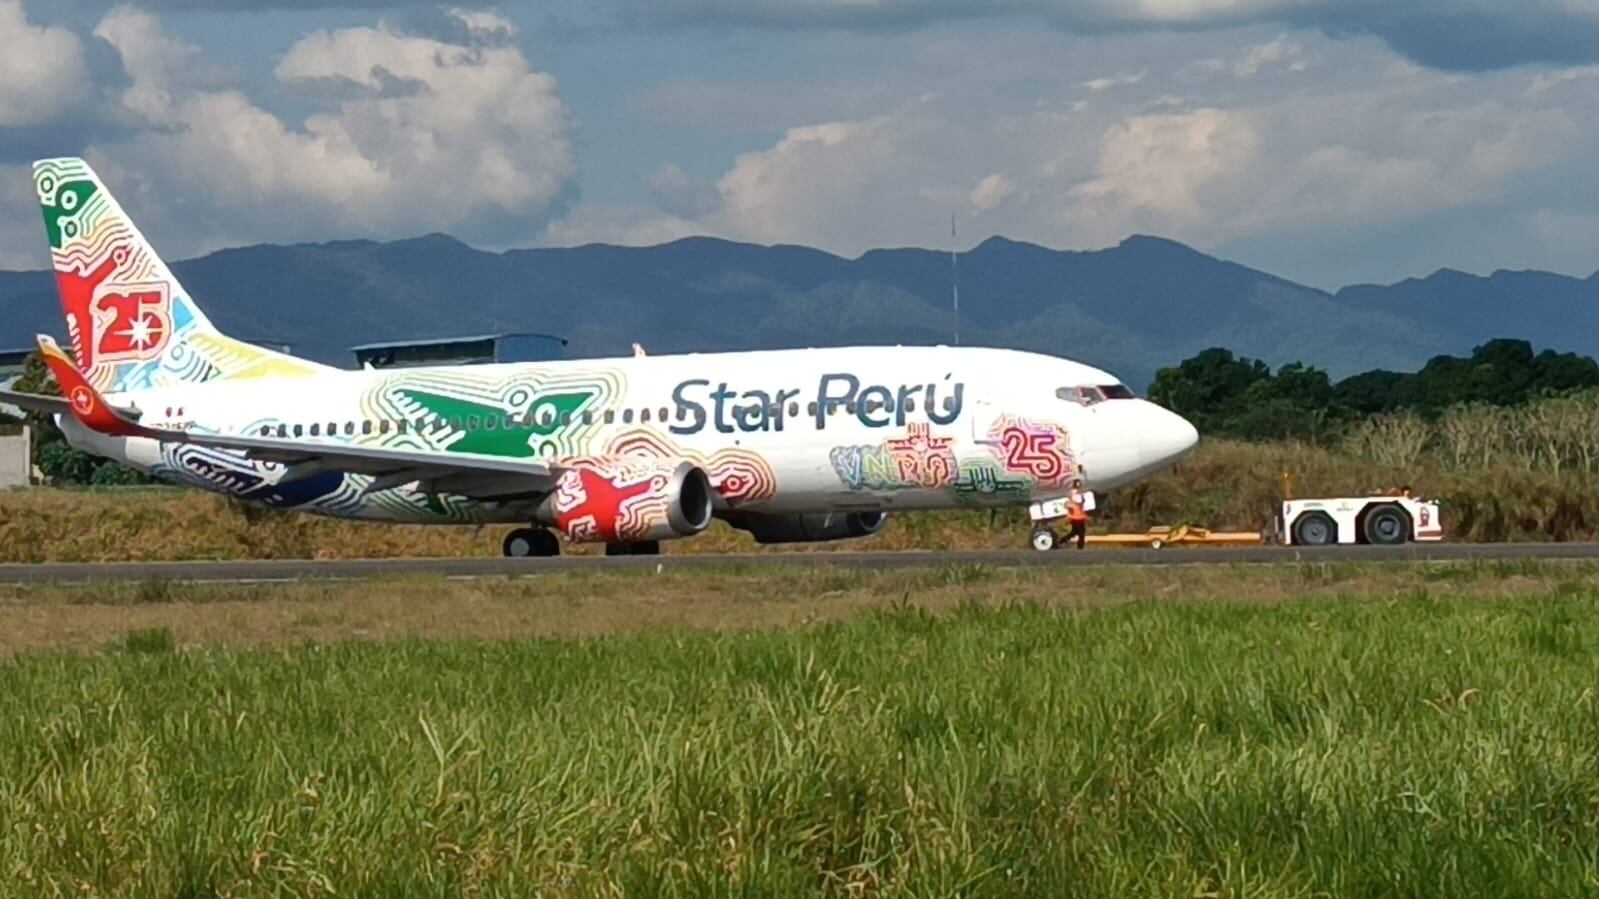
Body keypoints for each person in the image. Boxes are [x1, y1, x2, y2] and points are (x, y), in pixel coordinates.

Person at [1066, 479, 1090, 550]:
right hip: (1074, 516)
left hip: (1080, 516)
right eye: (1077, 484)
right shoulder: (1073, 492)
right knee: (1077, 531)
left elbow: (1081, 503)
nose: (1078, 485)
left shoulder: (1080, 493)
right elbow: (1073, 502)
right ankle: (1063, 540)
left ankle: (1080, 546)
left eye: (1079, 484)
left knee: (1081, 531)